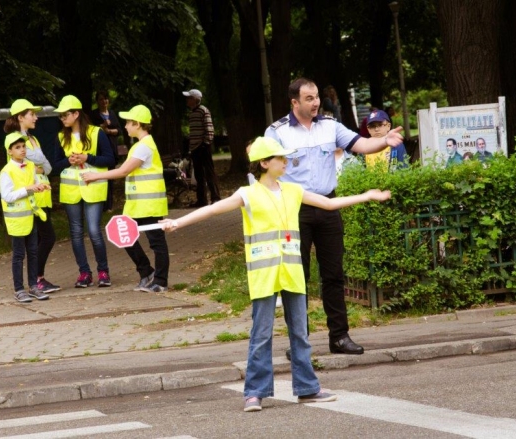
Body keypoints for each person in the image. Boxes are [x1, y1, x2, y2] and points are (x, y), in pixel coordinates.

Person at [159, 136, 391, 412]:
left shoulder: (293, 190)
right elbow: (211, 209)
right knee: (261, 334)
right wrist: (177, 222)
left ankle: (307, 388)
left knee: (300, 334)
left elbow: (328, 204)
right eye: (280, 158)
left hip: (291, 271)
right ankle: (254, 393)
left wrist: (366, 196)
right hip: (264, 274)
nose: (286, 161)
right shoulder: (248, 194)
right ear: (264, 163)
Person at [265, 78, 403, 356]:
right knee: (296, 278)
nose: (315, 102)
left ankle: (339, 337)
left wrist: (383, 141)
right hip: (294, 210)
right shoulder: (276, 132)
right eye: (309, 98)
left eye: (316, 97)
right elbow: (268, 170)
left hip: (328, 206)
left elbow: (360, 145)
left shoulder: (330, 125)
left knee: (334, 275)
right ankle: (299, 343)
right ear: (294, 102)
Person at [82, 105, 170, 293]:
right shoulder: (141, 146)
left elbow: (123, 171)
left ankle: (160, 281)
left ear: (137, 124)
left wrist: (94, 176)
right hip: (139, 205)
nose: (126, 127)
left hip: (149, 205)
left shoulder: (144, 147)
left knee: (156, 243)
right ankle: (147, 273)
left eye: (129, 123)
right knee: (124, 236)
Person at [52, 95, 115, 288]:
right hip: (71, 191)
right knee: (76, 233)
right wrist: (67, 162)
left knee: (95, 231)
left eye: (65, 114)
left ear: (76, 114)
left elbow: (110, 160)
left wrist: (88, 157)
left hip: (93, 188)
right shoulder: (61, 137)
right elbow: (55, 167)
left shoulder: (97, 133)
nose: (62, 118)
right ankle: (84, 273)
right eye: (60, 115)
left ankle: (103, 271)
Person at [3, 99, 60, 294]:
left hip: (41, 195)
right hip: (29, 198)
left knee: (42, 239)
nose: (36, 117)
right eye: (31, 114)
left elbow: (47, 167)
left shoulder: (32, 139)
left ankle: (37, 279)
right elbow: (22, 168)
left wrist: (39, 166)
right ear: (20, 117)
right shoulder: (14, 140)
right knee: (46, 237)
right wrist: (37, 167)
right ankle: (36, 278)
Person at [0, 132, 51, 303]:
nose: (22, 150)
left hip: (30, 215)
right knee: (19, 254)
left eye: (23, 147)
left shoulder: (29, 166)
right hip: (16, 220)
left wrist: (40, 186)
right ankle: (19, 289)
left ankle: (33, 286)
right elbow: (7, 196)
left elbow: (34, 183)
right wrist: (28, 189)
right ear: (10, 151)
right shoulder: (6, 171)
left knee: (33, 252)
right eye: (17, 148)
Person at [183, 88, 221, 207]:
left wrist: (206, 143)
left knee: (209, 172)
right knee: (199, 175)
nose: (187, 100)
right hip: (195, 148)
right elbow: (193, 133)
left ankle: (216, 198)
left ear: (195, 99)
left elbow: (209, 129)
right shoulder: (192, 113)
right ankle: (202, 200)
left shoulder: (203, 111)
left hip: (203, 147)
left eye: (189, 98)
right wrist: (191, 149)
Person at [89, 90, 122, 211]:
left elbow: (119, 130)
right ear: (97, 101)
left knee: (111, 179)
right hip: (99, 150)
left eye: (106, 99)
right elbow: (90, 129)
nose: (104, 101)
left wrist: (110, 131)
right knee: (100, 177)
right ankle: (100, 204)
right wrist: (103, 126)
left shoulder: (112, 113)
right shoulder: (93, 114)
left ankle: (109, 205)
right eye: (101, 99)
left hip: (112, 149)